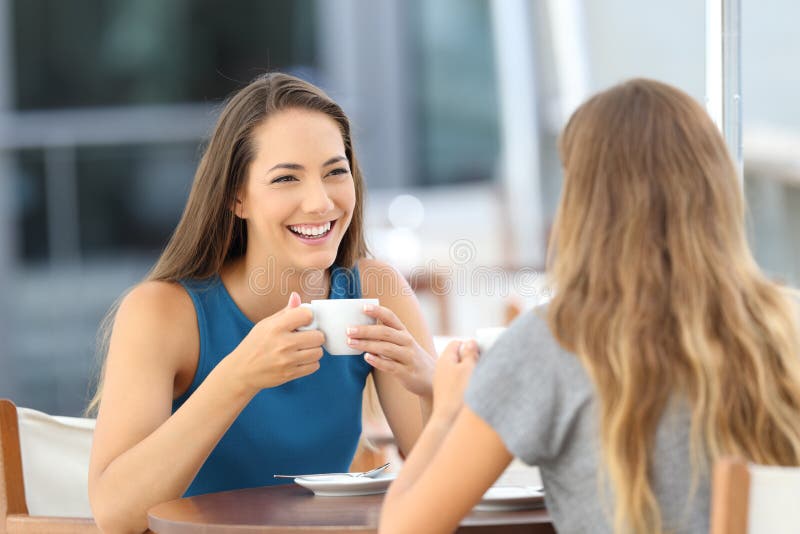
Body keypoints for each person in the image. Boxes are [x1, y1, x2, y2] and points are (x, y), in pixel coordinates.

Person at [380, 78, 800, 534]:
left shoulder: (555, 342)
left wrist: (445, 412)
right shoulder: (784, 327)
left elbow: (405, 527)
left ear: (586, 203)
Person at [87, 72, 437, 534]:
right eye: (286, 178)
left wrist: (433, 385)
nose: (320, 202)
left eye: (336, 171)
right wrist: (239, 376)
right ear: (237, 197)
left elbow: (447, 483)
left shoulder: (375, 289)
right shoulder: (162, 313)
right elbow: (115, 515)